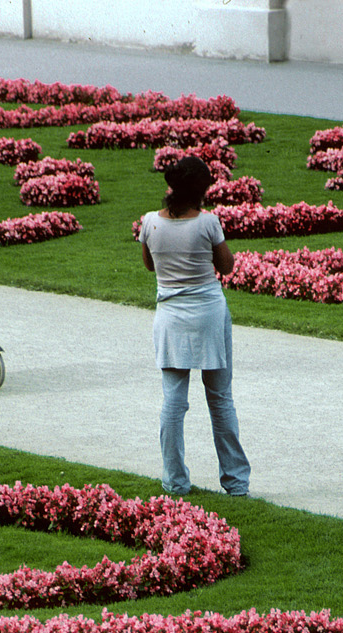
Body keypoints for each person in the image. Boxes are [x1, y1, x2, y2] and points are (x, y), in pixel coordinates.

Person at [139, 155, 251, 497]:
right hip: (208, 316)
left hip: (170, 317)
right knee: (220, 399)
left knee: (173, 402)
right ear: (200, 190)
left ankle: (175, 481)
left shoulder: (149, 222)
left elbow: (150, 265)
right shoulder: (208, 223)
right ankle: (235, 482)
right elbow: (227, 266)